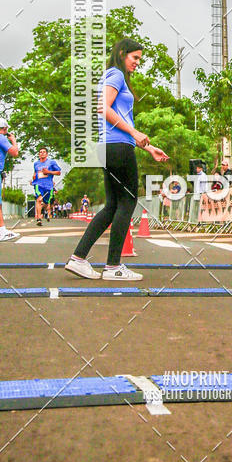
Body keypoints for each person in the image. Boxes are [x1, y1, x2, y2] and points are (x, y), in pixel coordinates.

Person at [65, 38, 169, 281]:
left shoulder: (112, 75)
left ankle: (78, 259)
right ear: (122, 53)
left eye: (140, 59)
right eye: (135, 57)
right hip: (118, 148)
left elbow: (118, 118)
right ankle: (113, 266)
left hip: (110, 147)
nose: (137, 63)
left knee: (112, 205)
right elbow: (104, 108)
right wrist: (134, 133)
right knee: (127, 202)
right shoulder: (116, 75)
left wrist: (148, 147)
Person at [31, 148, 61, 226]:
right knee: (39, 199)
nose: (42, 153)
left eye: (44, 152)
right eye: (40, 152)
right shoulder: (36, 164)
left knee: (46, 203)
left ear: (47, 154)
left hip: (48, 186)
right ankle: (39, 219)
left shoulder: (51, 162)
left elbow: (58, 172)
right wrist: (33, 180)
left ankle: (45, 211)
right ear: (39, 154)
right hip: (38, 185)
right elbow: (35, 173)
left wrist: (48, 172)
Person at [0, 118, 19, 241]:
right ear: (5, 128)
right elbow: (14, 152)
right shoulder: (1, 138)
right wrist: (13, 140)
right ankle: (2, 231)